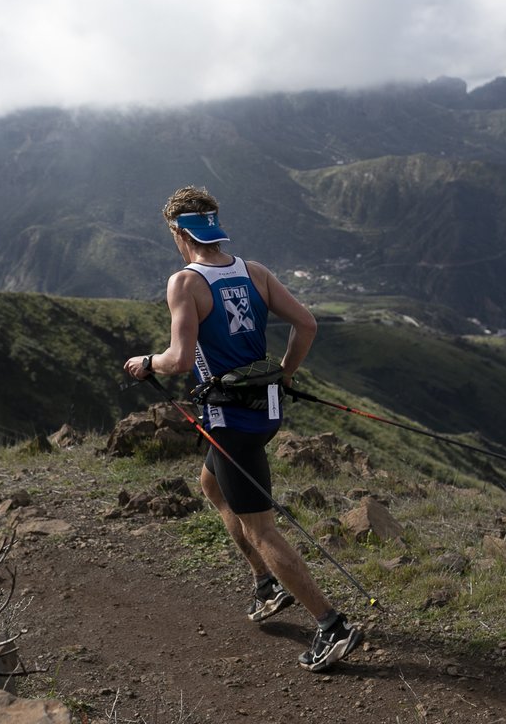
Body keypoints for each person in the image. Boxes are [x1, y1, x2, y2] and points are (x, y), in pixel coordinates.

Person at [123, 185, 361, 672]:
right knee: (212, 485)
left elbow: (180, 359)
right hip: (264, 410)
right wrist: (287, 373)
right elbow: (307, 324)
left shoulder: (185, 283)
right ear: (214, 223)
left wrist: (146, 362)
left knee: (262, 529)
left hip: (229, 420)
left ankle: (330, 625)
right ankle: (266, 584)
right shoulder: (254, 273)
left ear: (177, 231)